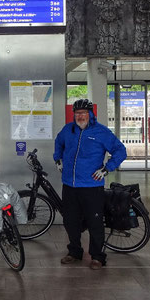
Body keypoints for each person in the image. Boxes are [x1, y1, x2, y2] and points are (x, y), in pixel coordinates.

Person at [53, 99, 127, 270]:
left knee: (95, 222)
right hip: (70, 185)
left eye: (84, 113)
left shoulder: (101, 132)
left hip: (92, 186)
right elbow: (58, 142)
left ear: (90, 114)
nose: (80, 116)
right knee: (70, 221)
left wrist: (107, 168)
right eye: (77, 113)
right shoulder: (68, 130)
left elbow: (120, 150)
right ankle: (74, 252)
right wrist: (58, 158)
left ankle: (97, 256)